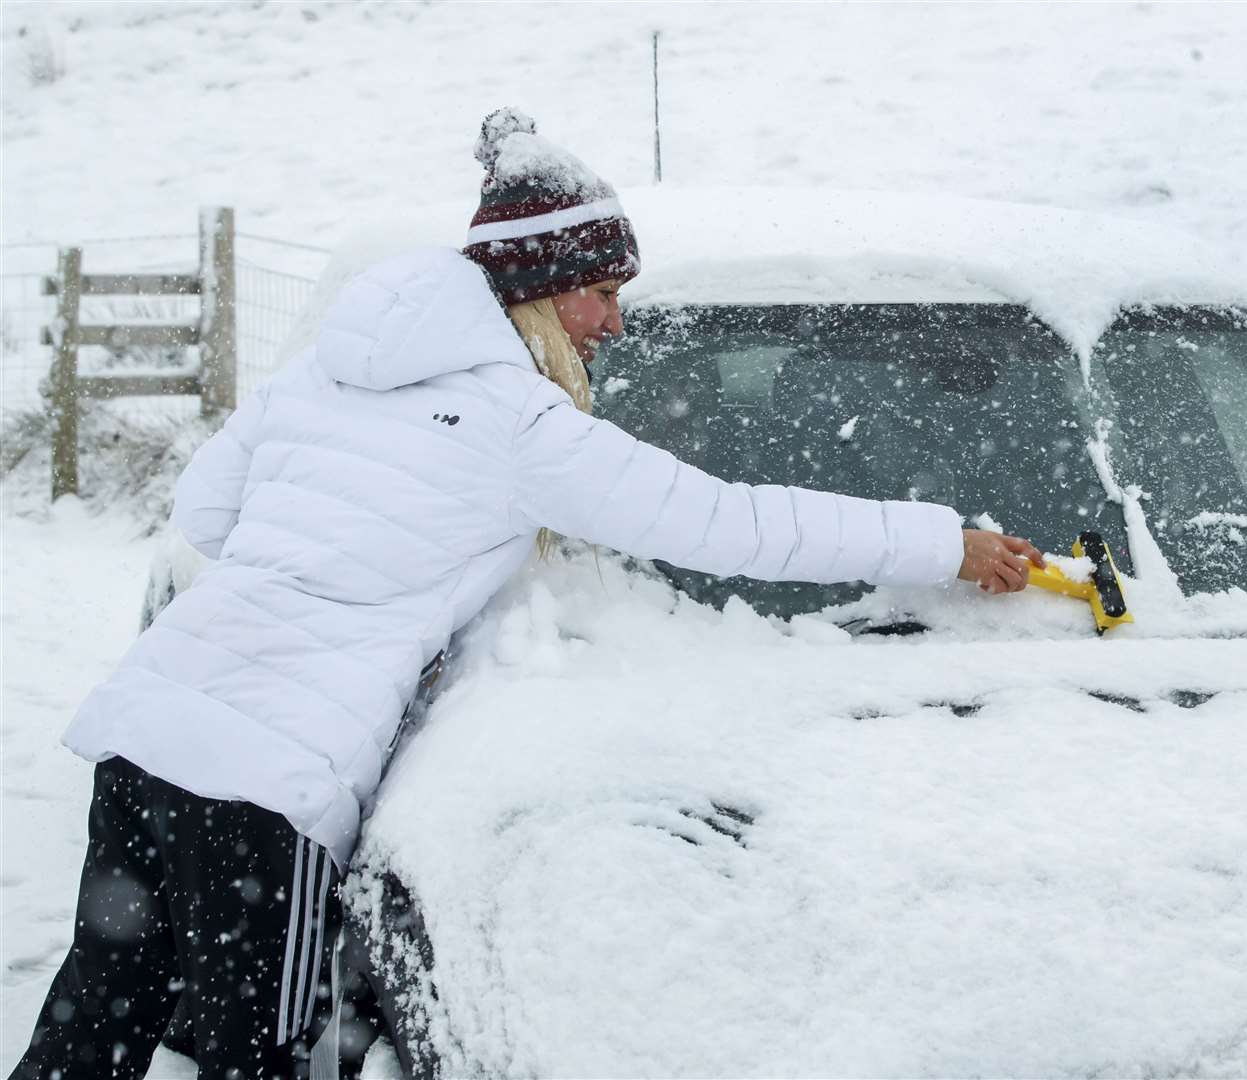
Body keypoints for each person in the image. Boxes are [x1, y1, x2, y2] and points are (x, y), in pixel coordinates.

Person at [11, 108, 1044, 1080]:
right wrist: (937, 543)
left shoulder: (325, 371)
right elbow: (728, 522)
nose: (614, 322)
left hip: (148, 738)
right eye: (599, 292)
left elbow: (204, 517)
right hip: (267, 789)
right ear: (537, 291)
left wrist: (318, 567)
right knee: (260, 1062)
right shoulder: (518, 427)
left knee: (94, 1023)